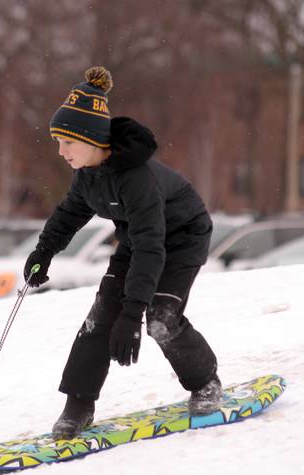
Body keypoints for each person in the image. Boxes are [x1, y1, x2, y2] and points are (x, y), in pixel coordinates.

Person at [24, 66, 221, 440]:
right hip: (139, 240)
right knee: (100, 318)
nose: (60, 151)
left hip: (182, 240)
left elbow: (153, 246)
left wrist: (132, 316)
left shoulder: (137, 179)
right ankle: (78, 406)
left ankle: (205, 382)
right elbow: (69, 214)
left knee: (160, 319)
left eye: (67, 142)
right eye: (58, 142)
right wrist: (43, 252)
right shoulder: (88, 175)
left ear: (90, 139)